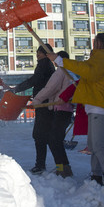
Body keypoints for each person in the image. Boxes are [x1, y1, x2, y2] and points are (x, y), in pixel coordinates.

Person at [47, 33, 104, 190]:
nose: (94, 43)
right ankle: (96, 176)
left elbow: (87, 70)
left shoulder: (102, 56)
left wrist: (60, 60)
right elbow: (88, 76)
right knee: (94, 145)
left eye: (96, 41)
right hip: (98, 106)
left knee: (99, 146)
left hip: (101, 107)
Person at [31, 50, 76, 178]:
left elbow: (50, 88)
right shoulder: (72, 71)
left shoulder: (62, 71)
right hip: (66, 109)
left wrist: (37, 100)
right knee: (55, 140)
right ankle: (63, 169)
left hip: (61, 109)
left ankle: (63, 170)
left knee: (54, 140)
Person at [13, 44, 55, 174]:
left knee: (39, 135)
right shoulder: (48, 65)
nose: (37, 56)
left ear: (46, 54)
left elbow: (34, 80)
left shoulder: (44, 64)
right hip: (44, 103)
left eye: (39, 53)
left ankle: (42, 165)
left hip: (44, 104)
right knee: (44, 136)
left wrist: (16, 89)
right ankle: (53, 164)